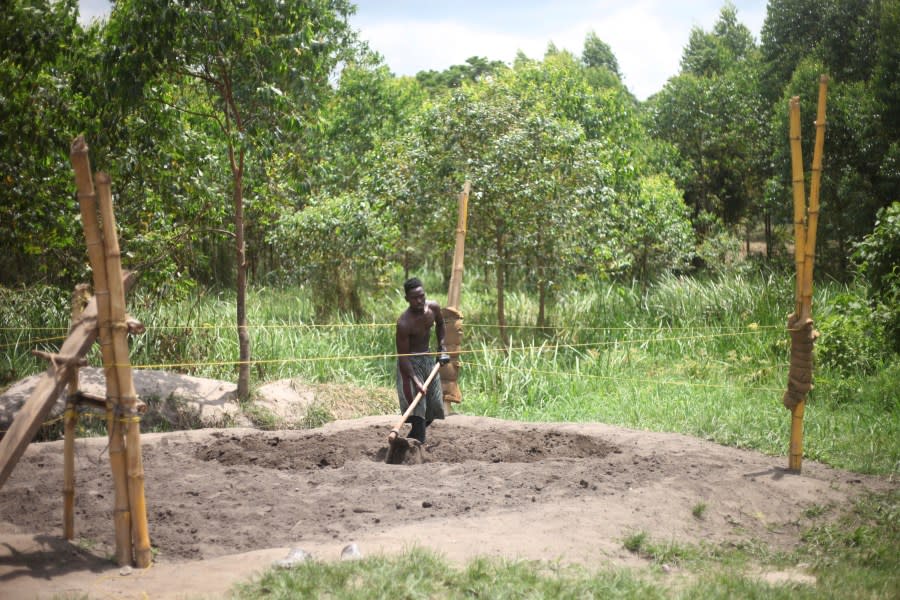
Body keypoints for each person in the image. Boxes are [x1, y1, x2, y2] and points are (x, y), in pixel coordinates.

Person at [395, 277, 450, 444]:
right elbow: (402, 357)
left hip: (428, 360)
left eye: (421, 296)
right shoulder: (404, 323)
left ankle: (412, 439)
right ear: (407, 299)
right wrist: (415, 380)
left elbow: (441, 325)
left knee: (434, 408)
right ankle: (416, 448)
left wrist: (441, 346)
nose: (419, 301)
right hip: (410, 365)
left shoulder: (433, 308)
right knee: (418, 411)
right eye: (414, 298)